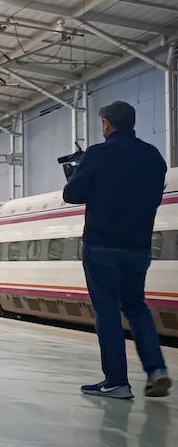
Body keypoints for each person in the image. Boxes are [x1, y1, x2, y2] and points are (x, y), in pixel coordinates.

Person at [62, 100, 171, 400]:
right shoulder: (153, 156)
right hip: (138, 246)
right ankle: (156, 370)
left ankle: (116, 381)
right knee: (136, 307)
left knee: (107, 311)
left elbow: (72, 194)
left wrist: (78, 172)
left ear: (107, 124)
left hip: (102, 245)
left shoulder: (97, 154)